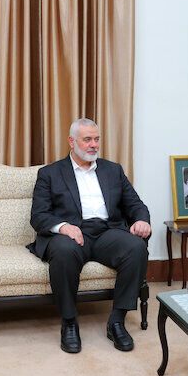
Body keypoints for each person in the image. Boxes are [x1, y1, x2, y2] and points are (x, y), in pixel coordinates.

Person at [28, 118, 151, 353]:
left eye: (97, 139)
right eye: (87, 139)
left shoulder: (113, 170)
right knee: (63, 251)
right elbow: (38, 215)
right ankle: (69, 322)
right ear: (71, 141)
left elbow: (135, 204)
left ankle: (117, 321)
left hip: (107, 232)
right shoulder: (50, 173)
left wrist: (141, 220)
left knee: (136, 247)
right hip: (72, 233)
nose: (94, 145)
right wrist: (63, 227)